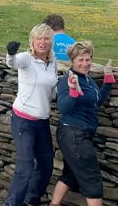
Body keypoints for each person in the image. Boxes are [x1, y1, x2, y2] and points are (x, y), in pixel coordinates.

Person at [50, 41, 116, 206]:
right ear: (72, 61)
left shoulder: (89, 81)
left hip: (80, 134)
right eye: (81, 60)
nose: (85, 63)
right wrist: (73, 92)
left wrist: (107, 80)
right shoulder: (68, 80)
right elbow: (63, 107)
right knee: (92, 179)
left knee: (70, 175)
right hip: (72, 133)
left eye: (88, 59)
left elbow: (96, 101)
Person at [4, 24, 58, 206]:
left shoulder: (52, 62)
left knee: (46, 165)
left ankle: (30, 200)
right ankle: (12, 203)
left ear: (51, 41)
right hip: (23, 120)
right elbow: (13, 63)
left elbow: (52, 89)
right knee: (25, 167)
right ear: (32, 41)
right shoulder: (27, 58)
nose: (43, 42)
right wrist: (11, 54)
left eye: (47, 38)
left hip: (42, 121)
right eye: (39, 38)